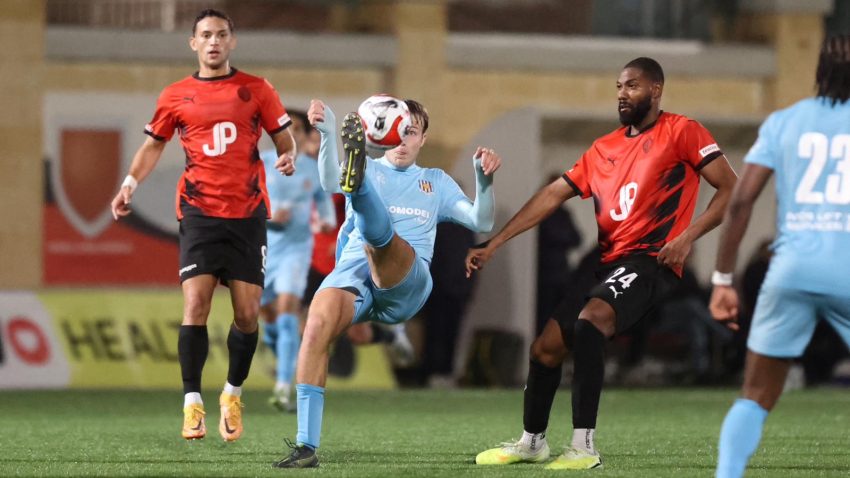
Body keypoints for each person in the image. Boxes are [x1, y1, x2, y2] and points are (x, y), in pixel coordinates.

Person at [469, 57, 737, 469]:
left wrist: (686, 238)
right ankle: (532, 442)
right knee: (545, 349)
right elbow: (551, 196)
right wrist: (495, 242)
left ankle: (584, 446)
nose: (622, 94)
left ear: (656, 90)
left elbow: (730, 188)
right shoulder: (603, 149)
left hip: (652, 260)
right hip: (607, 262)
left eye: (631, 86)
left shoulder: (682, 131)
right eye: (618, 87)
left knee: (591, 322)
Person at [273, 98, 501, 468]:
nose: (400, 138)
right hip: (352, 276)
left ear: (423, 139)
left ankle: (360, 192)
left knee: (382, 239)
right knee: (315, 325)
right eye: (394, 129)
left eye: (409, 131)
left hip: (406, 282)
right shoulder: (369, 168)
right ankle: (305, 446)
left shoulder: (434, 182)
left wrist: (484, 179)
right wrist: (329, 130)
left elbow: (481, 221)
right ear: (378, 133)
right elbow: (330, 180)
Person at [110, 9, 296, 442]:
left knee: (248, 314)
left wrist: (286, 155)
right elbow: (153, 146)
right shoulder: (176, 95)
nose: (214, 42)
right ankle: (192, 404)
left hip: (248, 213)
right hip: (198, 212)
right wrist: (129, 184)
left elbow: (282, 137)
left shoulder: (256, 89)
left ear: (232, 41)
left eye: (222, 34)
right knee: (195, 305)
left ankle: (232, 393)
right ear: (193, 43)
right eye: (206, 35)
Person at [711, 35, 850, 478]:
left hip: (790, 270)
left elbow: (740, 202)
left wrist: (722, 278)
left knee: (754, 394)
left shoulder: (784, 122)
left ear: (818, 71)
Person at [260, 110, 336, 412]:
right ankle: (276, 341)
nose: (291, 135)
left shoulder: (311, 169)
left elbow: (323, 200)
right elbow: (246, 201)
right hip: (263, 247)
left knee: (288, 309)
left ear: (305, 136)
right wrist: (268, 216)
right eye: (284, 129)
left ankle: (282, 388)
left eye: (297, 130)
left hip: (296, 247)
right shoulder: (262, 164)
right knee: (266, 315)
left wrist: (328, 222)